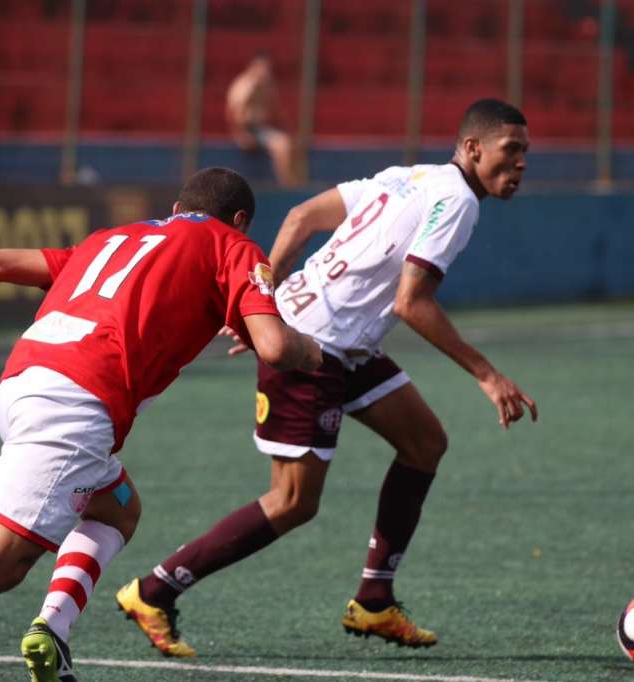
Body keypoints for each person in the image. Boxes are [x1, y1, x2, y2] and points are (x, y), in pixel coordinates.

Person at [0, 167, 323, 682]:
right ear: (240, 220)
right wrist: (310, 350)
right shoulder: (233, 247)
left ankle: (53, 630)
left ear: (176, 210)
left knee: (117, 508)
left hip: (23, 381)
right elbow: (275, 346)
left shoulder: (114, 237)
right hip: (76, 404)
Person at [116, 99, 538, 657]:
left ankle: (374, 601)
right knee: (292, 501)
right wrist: (488, 375)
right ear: (472, 148)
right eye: (511, 151)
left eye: (525, 154)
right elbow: (413, 304)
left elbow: (299, 219)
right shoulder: (456, 200)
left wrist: (265, 301)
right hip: (313, 348)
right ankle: (153, 591)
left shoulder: (408, 177)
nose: (521, 164)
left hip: (343, 343)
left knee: (424, 443)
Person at [226, 53, 300, 188]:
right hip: (249, 130)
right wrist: (240, 134)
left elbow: (276, 111)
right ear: (253, 67)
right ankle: (288, 186)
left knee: (291, 143)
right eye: (262, 68)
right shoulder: (245, 86)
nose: (265, 71)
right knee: (282, 145)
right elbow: (235, 112)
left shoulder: (266, 86)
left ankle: (296, 183)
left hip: (262, 129)